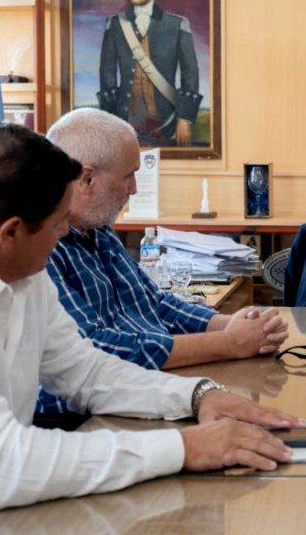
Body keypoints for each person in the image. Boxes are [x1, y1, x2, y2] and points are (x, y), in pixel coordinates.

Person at [0, 124, 302, 530]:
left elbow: (86, 372)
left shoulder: (17, 270)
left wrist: (198, 395)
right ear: (10, 232)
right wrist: (183, 448)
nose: (66, 234)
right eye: (59, 222)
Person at [36, 108, 288, 415]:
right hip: (96, 414)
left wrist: (231, 325)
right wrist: (228, 343)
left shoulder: (99, 230)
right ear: (87, 179)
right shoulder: (42, 249)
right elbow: (95, 350)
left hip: (151, 389)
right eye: (128, 176)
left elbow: (154, 303)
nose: (134, 189)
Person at [98, 0, 201, 147]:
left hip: (167, 121)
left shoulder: (177, 25)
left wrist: (185, 118)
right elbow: (107, 76)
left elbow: (190, 74)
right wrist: (110, 123)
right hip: (124, 122)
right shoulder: (115, 25)